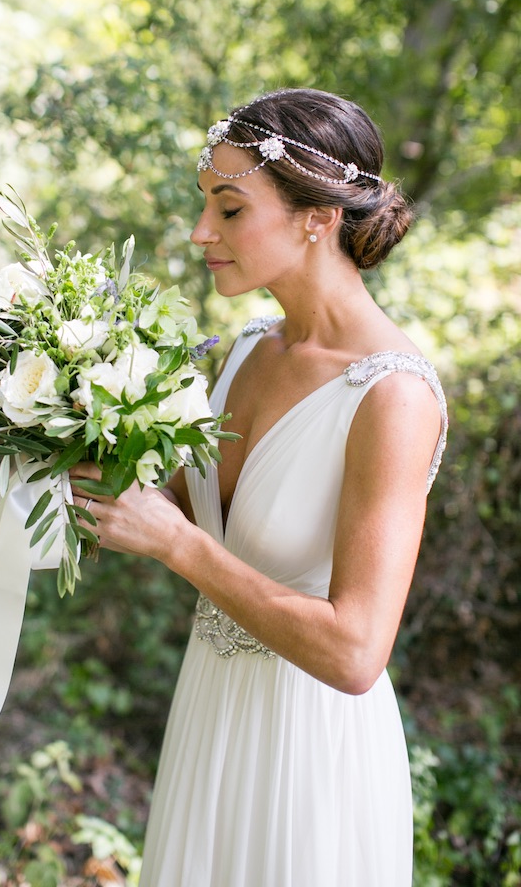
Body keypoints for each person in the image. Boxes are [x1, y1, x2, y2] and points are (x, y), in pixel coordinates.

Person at [71, 87, 448, 887]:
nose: (201, 232)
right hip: (211, 710)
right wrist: (65, 424)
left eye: (230, 209)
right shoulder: (245, 347)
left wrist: (178, 547)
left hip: (311, 752)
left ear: (317, 217)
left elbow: (355, 652)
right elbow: (174, 505)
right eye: (205, 205)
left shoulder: (392, 395)